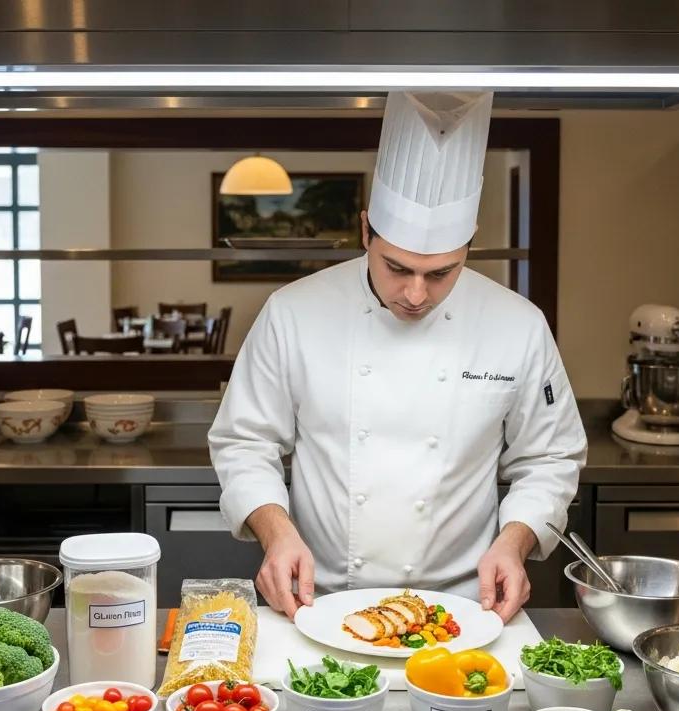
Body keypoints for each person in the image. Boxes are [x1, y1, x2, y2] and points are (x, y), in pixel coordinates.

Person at [209, 91, 587, 623]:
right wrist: (276, 533)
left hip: (465, 608)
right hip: (321, 602)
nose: (415, 294)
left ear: (470, 245)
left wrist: (515, 543)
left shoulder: (518, 325)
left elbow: (549, 458)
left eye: (441, 273)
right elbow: (246, 442)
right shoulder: (292, 313)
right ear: (366, 231)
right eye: (396, 267)